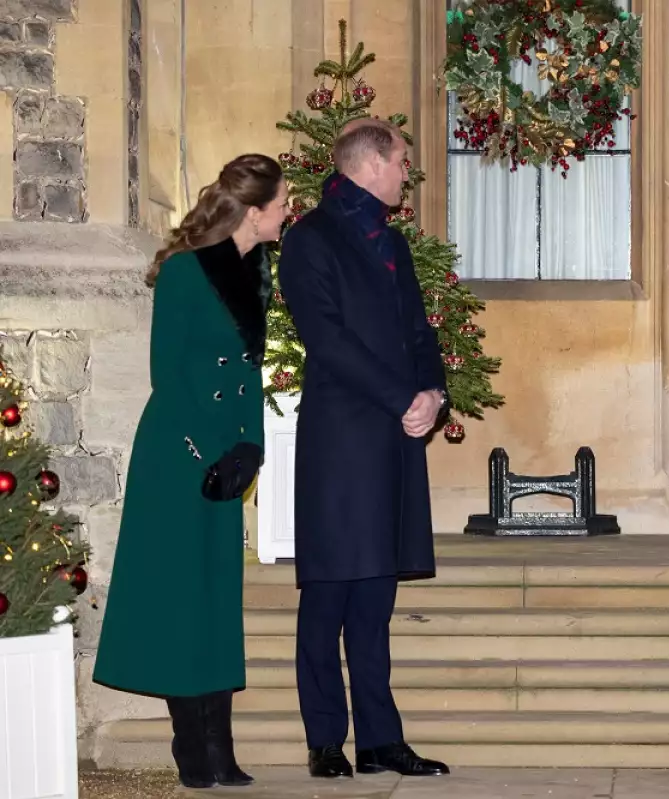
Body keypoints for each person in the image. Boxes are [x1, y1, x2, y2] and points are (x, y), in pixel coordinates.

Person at [93, 154, 287, 788]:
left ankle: (220, 749)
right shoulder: (183, 272)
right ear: (253, 212)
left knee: (215, 601)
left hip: (227, 455)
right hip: (178, 457)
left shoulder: (256, 268)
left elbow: (249, 372)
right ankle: (192, 749)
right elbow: (168, 377)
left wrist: (250, 447)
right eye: (283, 203)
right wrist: (208, 454)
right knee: (182, 600)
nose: (288, 212)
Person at [277, 118, 450, 779]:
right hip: (342, 440)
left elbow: (418, 330)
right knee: (328, 595)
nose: (407, 171)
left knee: (376, 599)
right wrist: (403, 397)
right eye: (402, 160)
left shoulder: (393, 240)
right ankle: (325, 739)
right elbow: (327, 339)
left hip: (394, 436)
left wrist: (432, 392)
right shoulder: (309, 238)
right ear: (371, 163)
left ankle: (381, 739)